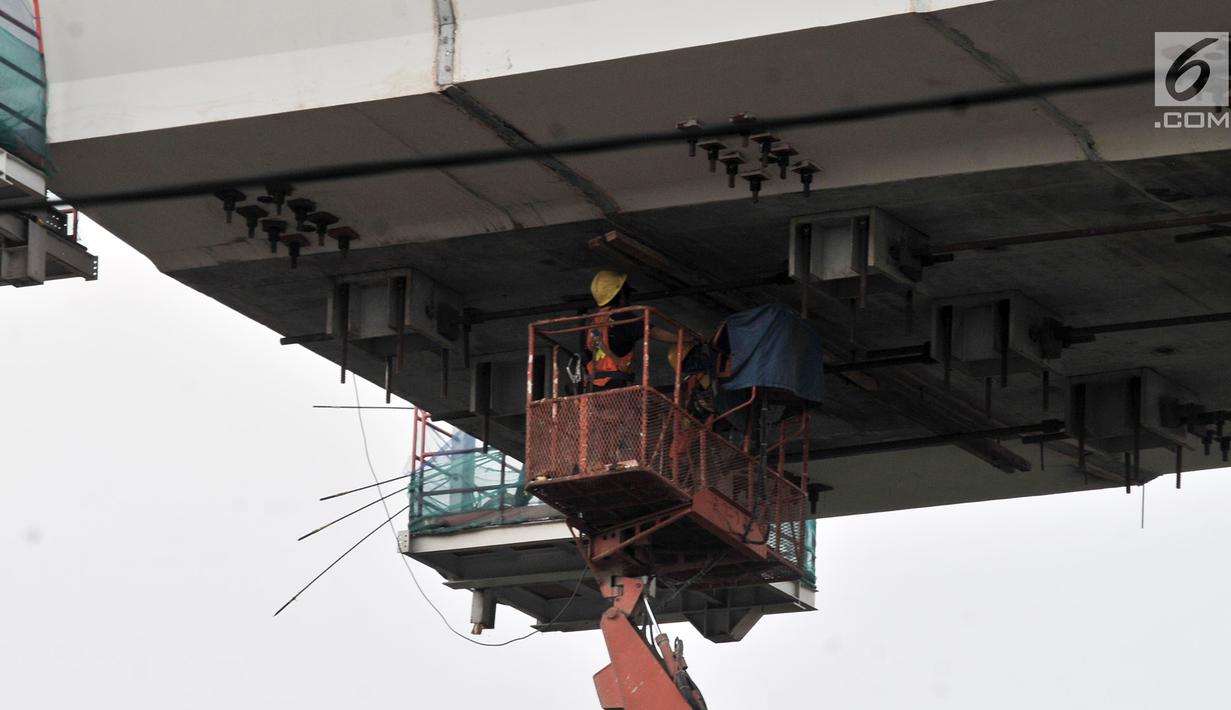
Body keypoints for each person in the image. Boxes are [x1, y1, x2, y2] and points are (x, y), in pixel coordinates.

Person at [586, 270, 685, 390]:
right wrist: (686, 338)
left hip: (592, 388)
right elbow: (653, 332)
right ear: (622, 294)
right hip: (614, 387)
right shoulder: (622, 317)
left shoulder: (594, 322)